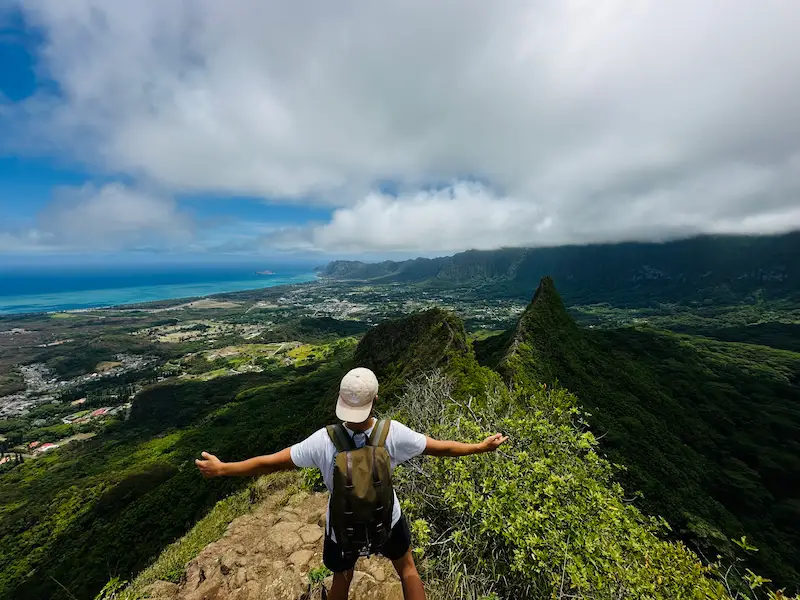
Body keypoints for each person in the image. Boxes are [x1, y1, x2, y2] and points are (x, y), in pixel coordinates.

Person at [196, 367, 508, 600]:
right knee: (408, 570)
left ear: (341, 402)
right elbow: (441, 448)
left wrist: (224, 469)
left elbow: (270, 462)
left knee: (342, 579)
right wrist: (480, 447)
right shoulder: (393, 433)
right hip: (388, 520)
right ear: (376, 398)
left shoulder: (323, 440)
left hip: (341, 529)